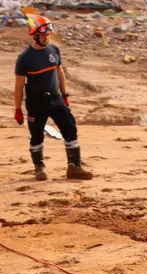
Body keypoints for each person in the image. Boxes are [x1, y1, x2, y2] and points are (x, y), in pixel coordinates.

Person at [14, 15, 93, 181]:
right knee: (36, 135)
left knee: (70, 128)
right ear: (34, 35)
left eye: (48, 34)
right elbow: (19, 86)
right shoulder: (24, 58)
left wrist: (65, 95)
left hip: (56, 98)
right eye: (43, 34)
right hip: (36, 102)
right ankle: (39, 168)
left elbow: (60, 73)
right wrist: (17, 109)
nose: (47, 37)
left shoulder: (54, 50)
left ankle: (74, 167)